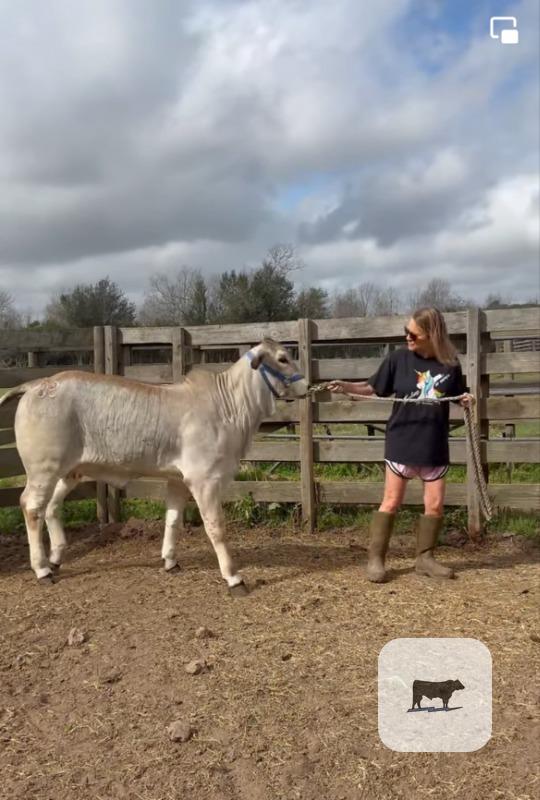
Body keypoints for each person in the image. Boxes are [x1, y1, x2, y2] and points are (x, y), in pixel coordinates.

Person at [326, 307, 474, 583]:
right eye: (406, 332)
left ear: (431, 335)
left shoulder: (451, 364)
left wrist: (464, 399)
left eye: (413, 334)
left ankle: (425, 560)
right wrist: (345, 386)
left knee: (435, 506)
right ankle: (376, 559)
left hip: (434, 445)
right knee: (392, 501)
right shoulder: (398, 359)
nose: (407, 337)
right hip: (402, 442)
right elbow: (372, 388)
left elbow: (455, 394)